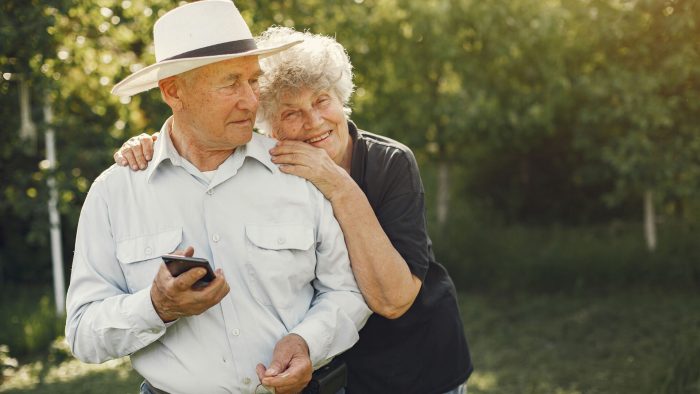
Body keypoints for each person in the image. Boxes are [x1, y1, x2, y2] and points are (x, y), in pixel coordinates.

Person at [117, 27, 473, 394]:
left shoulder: (390, 163)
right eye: (292, 113)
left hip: (418, 365)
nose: (314, 121)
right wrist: (158, 143)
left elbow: (394, 300)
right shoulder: (273, 165)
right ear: (269, 128)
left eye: (321, 101)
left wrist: (338, 184)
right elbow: (201, 142)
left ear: (341, 98)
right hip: (334, 370)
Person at [65, 2, 371, 394]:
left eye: (253, 81)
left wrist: (307, 342)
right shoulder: (115, 194)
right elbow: (82, 334)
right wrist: (157, 307)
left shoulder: (299, 173)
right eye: (230, 83)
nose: (251, 100)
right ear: (174, 91)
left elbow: (345, 291)